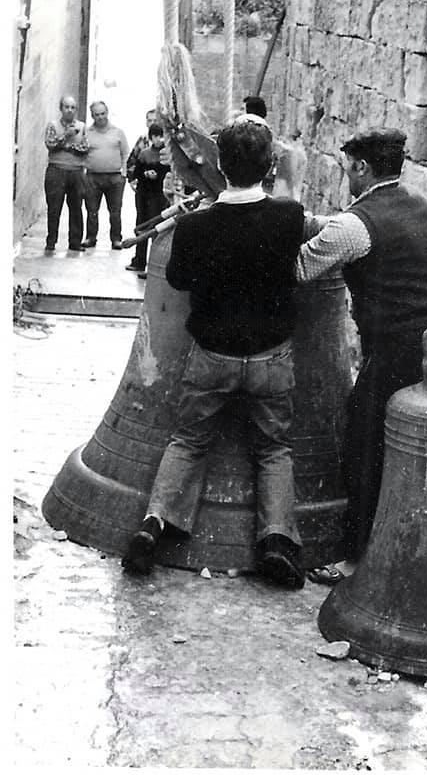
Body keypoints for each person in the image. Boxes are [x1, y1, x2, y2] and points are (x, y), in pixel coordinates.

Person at [121, 114, 306, 589]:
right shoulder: (289, 217)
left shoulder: (197, 226)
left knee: (189, 441)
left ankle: (154, 524)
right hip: (270, 357)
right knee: (273, 449)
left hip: (212, 353)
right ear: (268, 167)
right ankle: (276, 542)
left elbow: (180, 279)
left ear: (219, 165)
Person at [295, 128, 427, 571]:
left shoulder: (357, 224)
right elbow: (344, 232)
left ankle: (356, 557)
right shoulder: (416, 204)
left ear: (362, 168)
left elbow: (304, 266)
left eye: (349, 169)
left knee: (362, 444)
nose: (348, 177)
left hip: (395, 347)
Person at [82, 100, 130, 249]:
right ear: (92, 116)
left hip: (115, 178)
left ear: (107, 113)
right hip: (92, 178)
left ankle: (116, 239)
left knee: (115, 211)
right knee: (91, 210)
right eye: (97, 114)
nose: (100, 117)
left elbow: (126, 153)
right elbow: (81, 152)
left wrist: (124, 173)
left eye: (103, 113)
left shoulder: (118, 132)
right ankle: (90, 238)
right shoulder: (87, 133)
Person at [43, 95, 88, 252]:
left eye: (73, 107)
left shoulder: (82, 127)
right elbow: (50, 144)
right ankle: (51, 241)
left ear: (76, 110)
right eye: (66, 107)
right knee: (54, 207)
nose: (70, 110)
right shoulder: (53, 125)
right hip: (56, 170)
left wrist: (66, 147)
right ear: (61, 108)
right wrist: (66, 137)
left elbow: (85, 148)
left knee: (76, 208)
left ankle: (75, 242)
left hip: (76, 172)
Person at [124, 122, 170, 278]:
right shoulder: (144, 154)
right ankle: (139, 260)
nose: (160, 139)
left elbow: (168, 173)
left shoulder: (167, 154)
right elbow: (136, 172)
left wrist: (157, 175)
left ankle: (153, 265)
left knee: (156, 228)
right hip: (144, 195)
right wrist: (145, 174)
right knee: (142, 226)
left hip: (159, 196)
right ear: (151, 138)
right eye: (156, 136)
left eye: (162, 136)